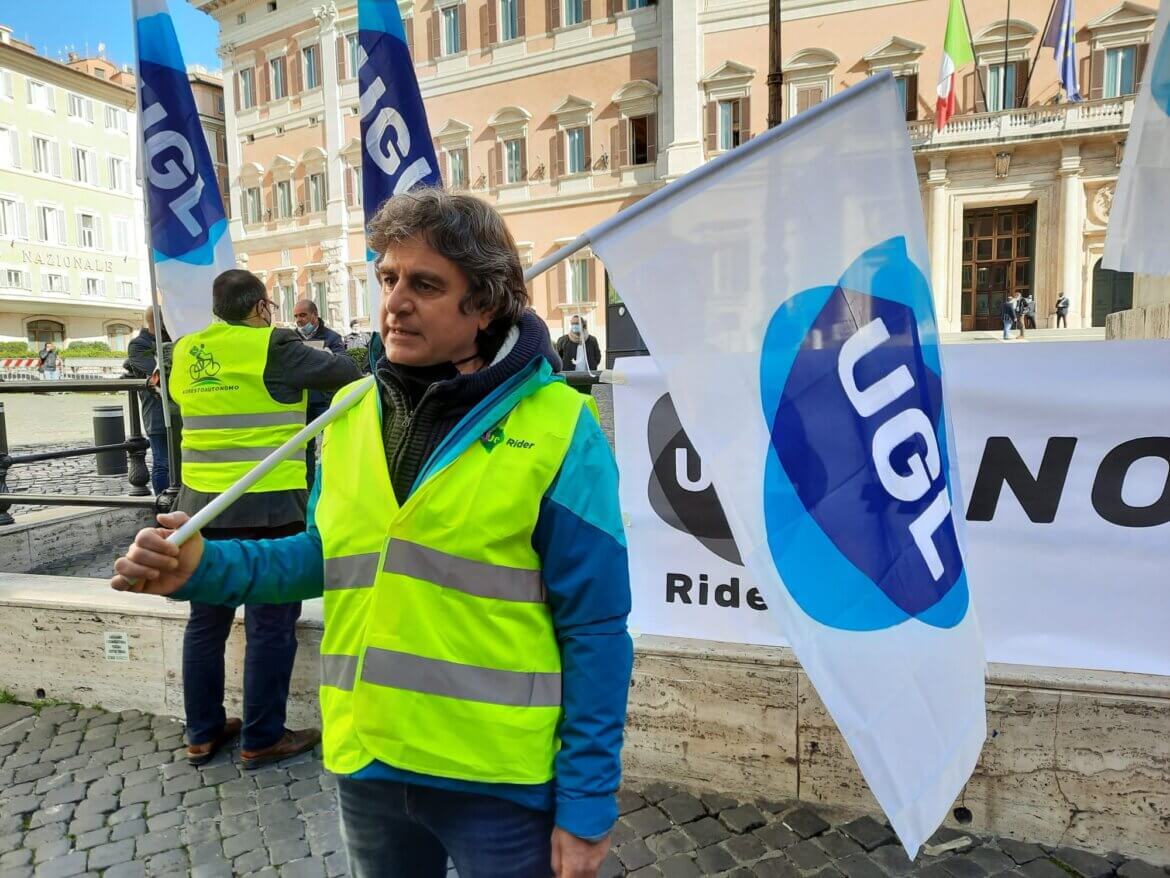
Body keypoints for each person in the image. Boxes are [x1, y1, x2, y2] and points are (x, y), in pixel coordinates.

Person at [113, 190, 633, 878]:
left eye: (425, 284)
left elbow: (597, 629)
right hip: (368, 762)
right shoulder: (354, 411)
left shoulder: (564, 429)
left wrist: (587, 803)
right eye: (388, 279)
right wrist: (205, 567)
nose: (395, 301)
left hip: (498, 782)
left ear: (484, 304)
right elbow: (326, 558)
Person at [166, 269, 361, 770]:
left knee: (205, 624)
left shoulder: (186, 350)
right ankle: (261, 737)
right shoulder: (273, 346)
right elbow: (345, 375)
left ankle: (202, 733)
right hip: (269, 504)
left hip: (200, 507)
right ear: (258, 309)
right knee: (271, 624)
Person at [125, 308, 181, 495]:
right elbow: (160, 373)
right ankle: (164, 503)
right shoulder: (139, 345)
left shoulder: (175, 339)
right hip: (156, 411)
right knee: (162, 463)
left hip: (180, 410)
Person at [293, 299, 346, 485]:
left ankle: (334, 481)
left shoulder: (332, 338)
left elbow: (343, 363)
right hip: (302, 401)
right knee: (304, 447)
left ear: (314, 316)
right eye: (296, 316)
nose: (299, 320)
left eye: (303, 315)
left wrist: (322, 357)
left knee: (332, 442)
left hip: (325, 401)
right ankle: (307, 486)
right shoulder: (292, 339)